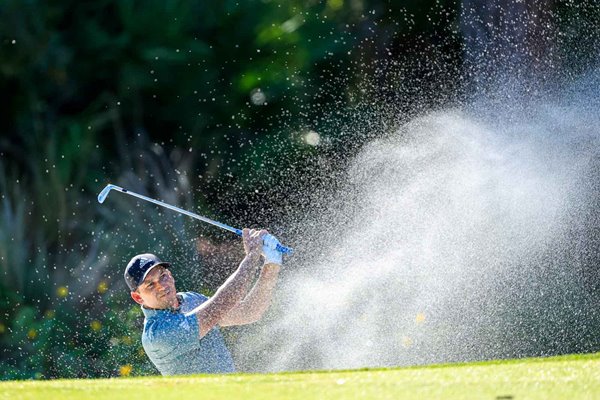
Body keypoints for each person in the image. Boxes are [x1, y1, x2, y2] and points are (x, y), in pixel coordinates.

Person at [124, 228, 282, 375]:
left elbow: (249, 312)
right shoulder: (156, 334)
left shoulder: (191, 299)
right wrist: (252, 256)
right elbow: (219, 306)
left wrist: (272, 263)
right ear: (138, 297)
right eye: (150, 285)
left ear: (170, 275)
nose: (161, 286)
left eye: (163, 276)